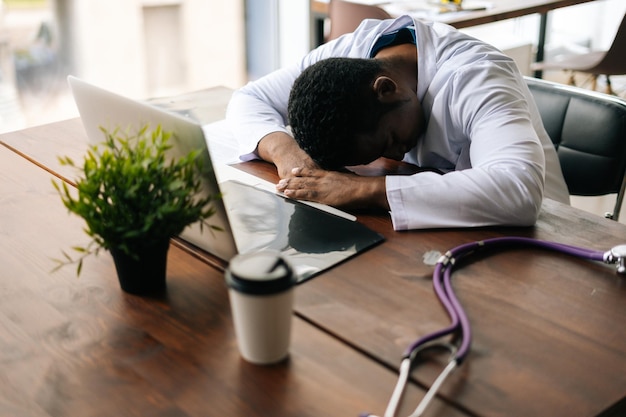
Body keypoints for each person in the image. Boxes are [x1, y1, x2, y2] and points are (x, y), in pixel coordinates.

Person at [225, 15, 570, 230]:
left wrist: (361, 189)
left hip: (538, 233)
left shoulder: (476, 77)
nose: (394, 153)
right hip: (440, 221)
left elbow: (518, 191)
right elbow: (248, 99)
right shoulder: (344, 59)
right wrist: (289, 156)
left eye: (388, 139)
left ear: (386, 89)